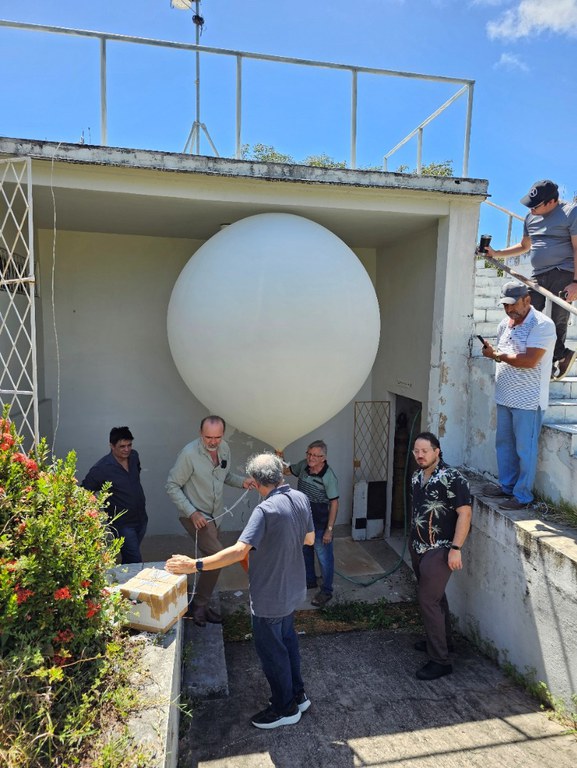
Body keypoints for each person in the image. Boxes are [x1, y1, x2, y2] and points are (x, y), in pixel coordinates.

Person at [166, 452, 315, 730]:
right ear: (280, 475)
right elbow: (309, 539)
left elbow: (238, 551)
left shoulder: (265, 510)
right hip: (293, 590)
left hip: (269, 597)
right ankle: (298, 695)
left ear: (256, 483)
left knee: (273, 654)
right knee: (288, 644)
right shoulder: (300, 498)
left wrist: (194, 565)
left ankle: (285, 708)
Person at [166, 415, 254, 627]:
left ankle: (201, 605)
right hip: (196, 516)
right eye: (208, 437)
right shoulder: (189, 454)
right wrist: (192, 513)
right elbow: (172, 485)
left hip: (216, 515)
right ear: (200, 433)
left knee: (211, 561)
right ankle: (199, 605)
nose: (213, 442)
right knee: (217, 558)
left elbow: (225, 475)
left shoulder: (224, 449)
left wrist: (243, 482)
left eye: (217, 437)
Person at [486, 179, 577, 380]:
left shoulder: (571, 212)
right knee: (526, 311)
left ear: (552, 201)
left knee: (557, 317)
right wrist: (496, 253)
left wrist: (576, 283)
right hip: (538, 274)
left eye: (536, 206)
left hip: (563, 271)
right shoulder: (530, 218)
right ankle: (539, 354)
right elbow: (524, 246)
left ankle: (559, 357)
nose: (531, 210)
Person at [481, 281, 556, 510]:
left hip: (528, 400)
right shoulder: (504, 324)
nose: (509, 309)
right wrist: (494, 353)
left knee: (525, 449)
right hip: (504, 396)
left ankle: (522, 496)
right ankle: (507, 487)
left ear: (527, 300)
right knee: (504, 445)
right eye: (505, 305)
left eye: (513, 304)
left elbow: (529, 360)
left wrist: (496, 355)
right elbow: (504, 354)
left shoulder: (542, 325)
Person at [410, 432, 472, 681]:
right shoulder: (416, 477)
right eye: (416, 451)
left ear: (437, 451)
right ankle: (444, 642)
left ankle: (440, 661)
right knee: (436, 598)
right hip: (418, 547)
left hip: (441, 547)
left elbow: (465, 514)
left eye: (425, 451)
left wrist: (456, 548)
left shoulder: (453, 478)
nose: (420, 455)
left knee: (428, 601)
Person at [82, 426, 148, 564]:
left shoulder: (134, 456)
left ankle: (126, 576)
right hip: (122, 524)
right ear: (112, 446)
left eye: (129, 445)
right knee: (135, 560)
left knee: (130, 559)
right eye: (122, 446)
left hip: (141, 519)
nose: (126, 449)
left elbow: (135, 476)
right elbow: (84, 491)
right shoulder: (102, 468)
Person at [286, 440, 339, 607]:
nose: (311, 458)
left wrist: (329, 530)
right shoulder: (303, 465)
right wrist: (278, 457)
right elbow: (285, 471)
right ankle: (310, 581)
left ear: (323, 458)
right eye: (309, 454)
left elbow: (334, 503)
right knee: (305, 551)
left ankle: (326, 591)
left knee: (324, 558)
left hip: (320, 523)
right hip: (303, 520)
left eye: (316, 455)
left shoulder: (328, 476)